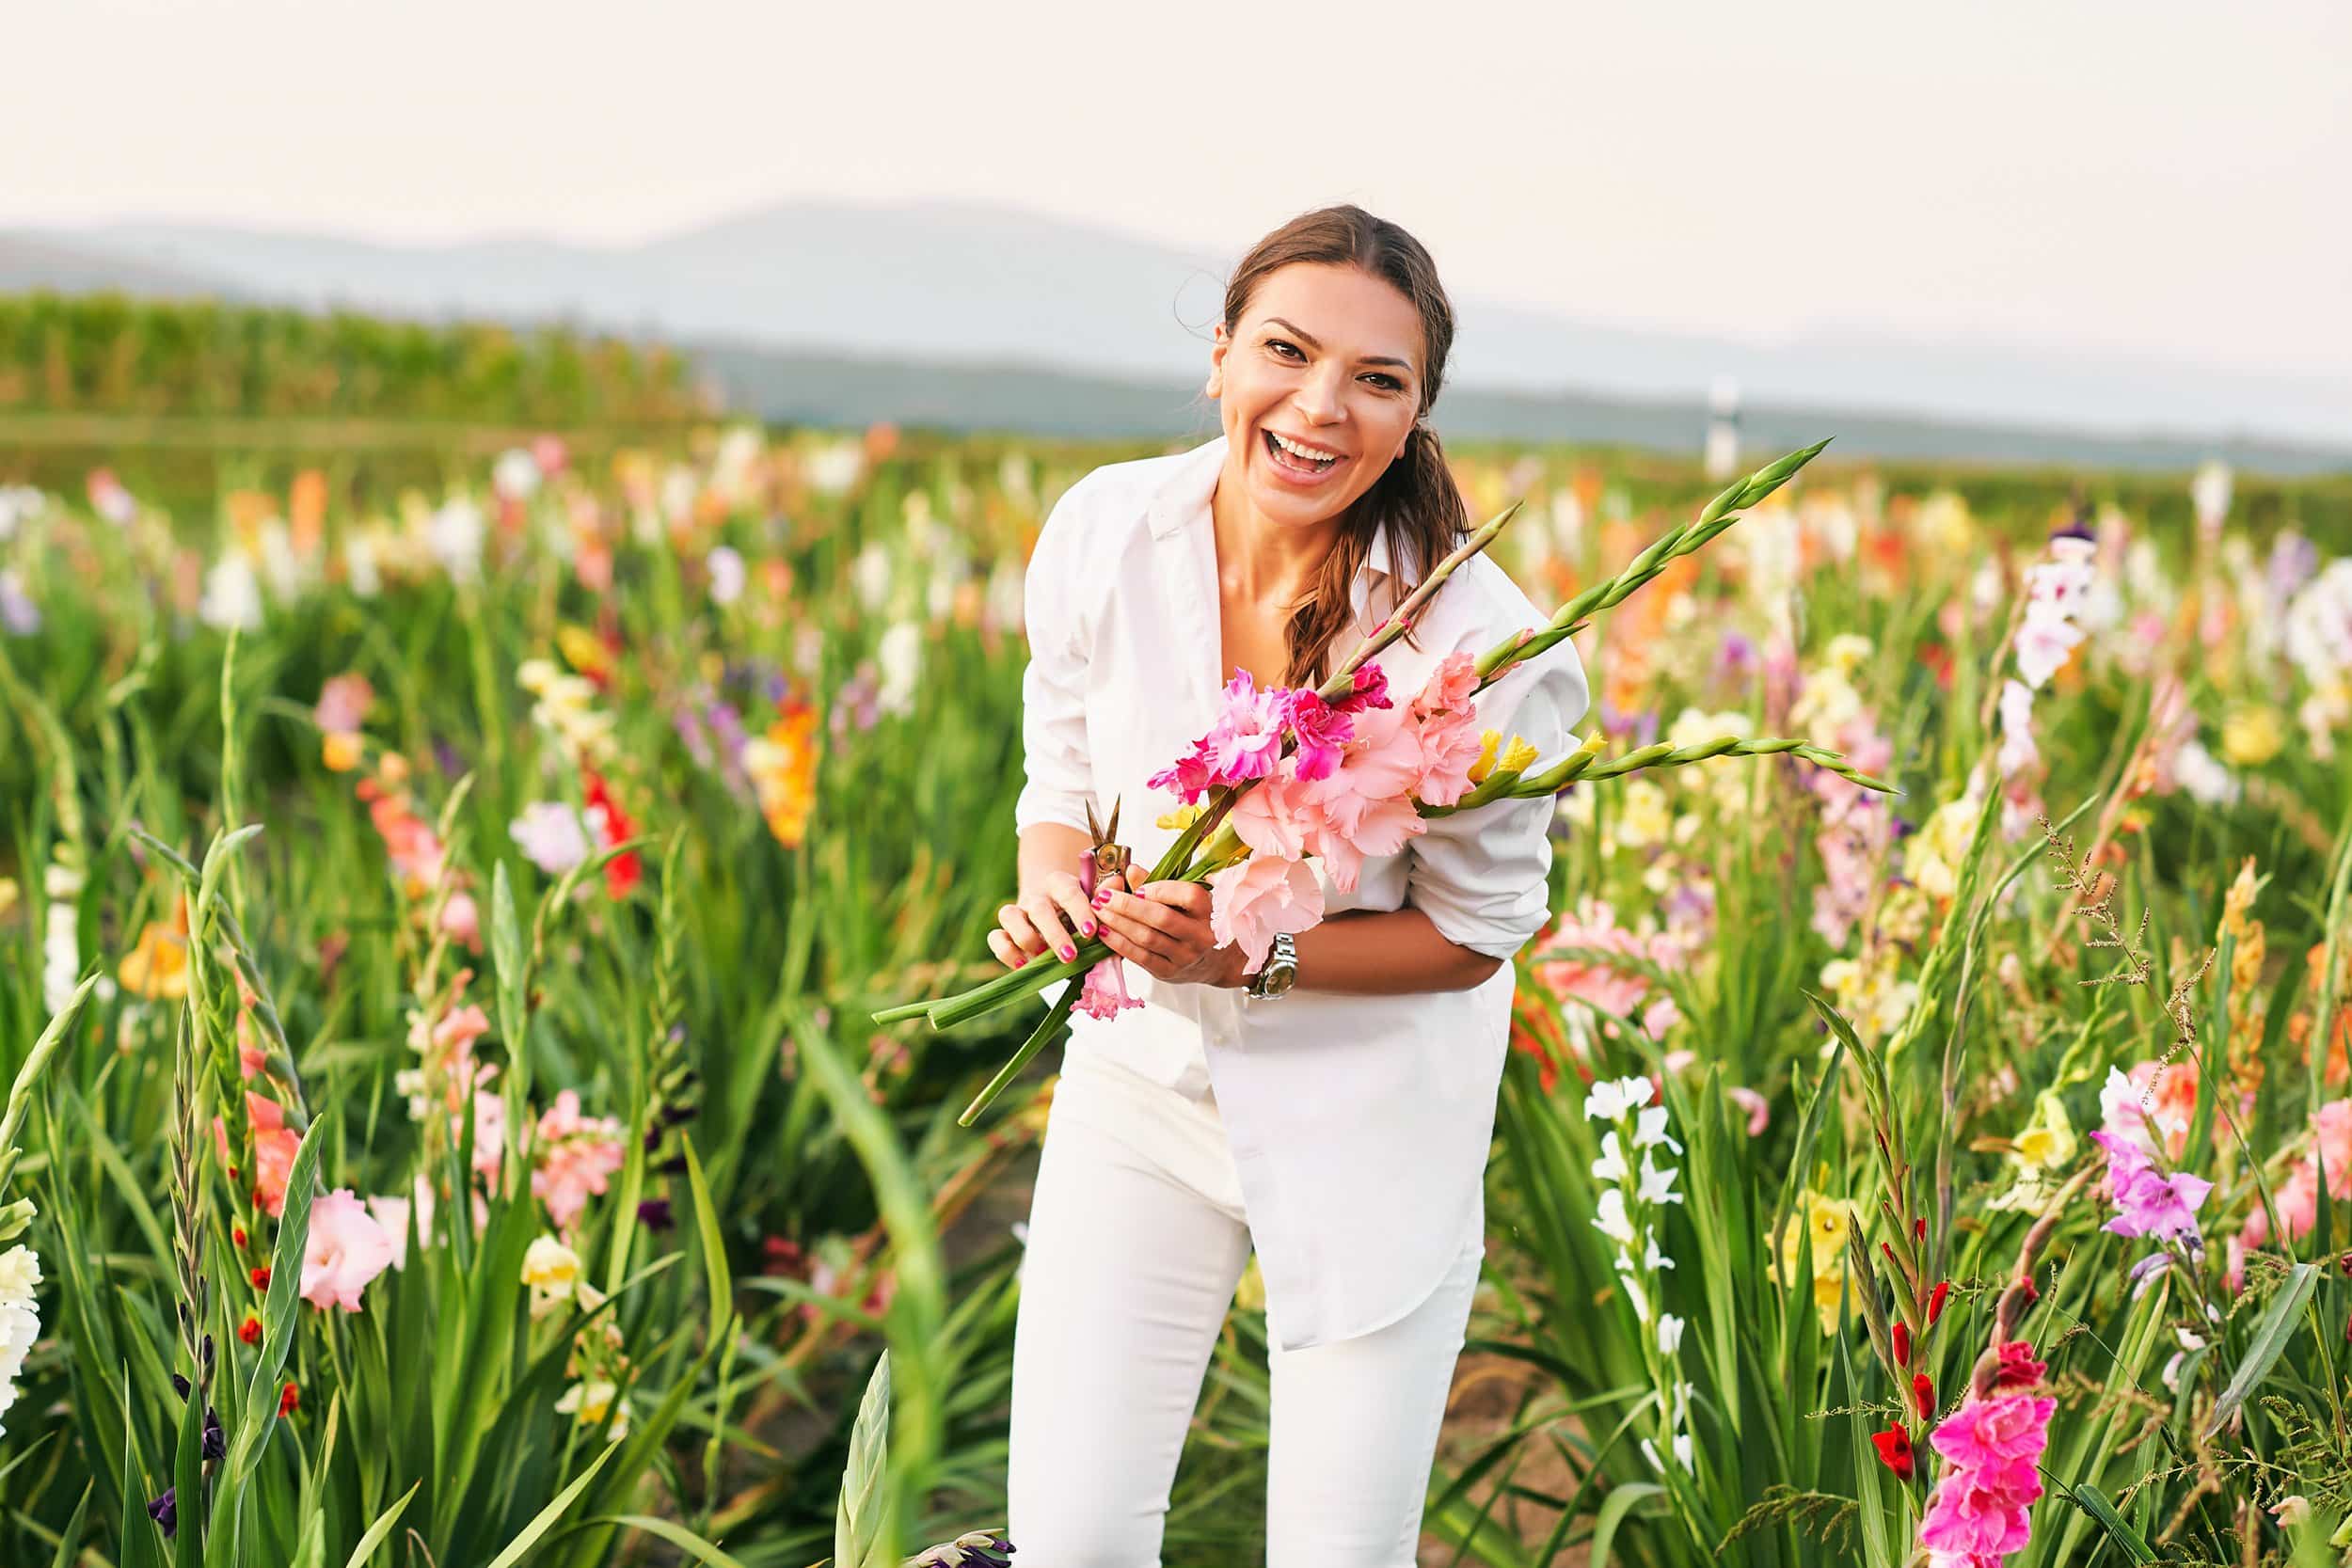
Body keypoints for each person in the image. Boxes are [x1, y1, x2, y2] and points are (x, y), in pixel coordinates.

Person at [992, 203, 1590, 1566]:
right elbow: (1060, 781)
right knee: (1071, 1544)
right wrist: (1058, 895)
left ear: (1417, 412)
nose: (1322, 407)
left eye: (1377, 380)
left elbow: (1475, 934)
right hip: (1140, 1092)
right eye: (1287, 351)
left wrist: (1245, 958)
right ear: (1219, 357)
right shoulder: (1104, 532)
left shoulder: (1481, 645)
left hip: (1370, 1126)